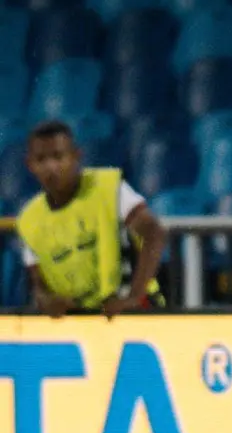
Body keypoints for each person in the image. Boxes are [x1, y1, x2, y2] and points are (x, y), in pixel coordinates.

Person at [15, 120, 166, 318]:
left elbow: (154, 233)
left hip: (135, 314)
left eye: (59, 156)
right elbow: (38, 284)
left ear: (76, 156)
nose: (51, 167)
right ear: (30, 165)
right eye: (41, 159)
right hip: (80, 324)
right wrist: (46, 301)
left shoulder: (108, 188)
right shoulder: (29, 219)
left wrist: (134, 297)